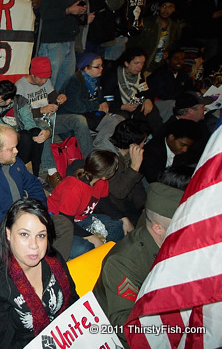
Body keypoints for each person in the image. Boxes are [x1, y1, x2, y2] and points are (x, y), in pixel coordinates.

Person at [0, 199, 78, 349]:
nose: (34, 245)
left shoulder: (53, 259)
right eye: (25, 234)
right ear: (8, 234)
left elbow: (73, 302)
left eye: (41, 235)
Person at [0, 123, 74, 259]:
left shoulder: (14, 162)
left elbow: (34, 186)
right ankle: (35, 265)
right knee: (10, 248)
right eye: (12, 148)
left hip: (20, 221)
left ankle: (48, 267)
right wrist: (21, 230)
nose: (17, 151)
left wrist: (38, 213)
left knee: (63, 224)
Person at [93, 182, 183, 347]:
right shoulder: (124, 262)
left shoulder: (169, 244)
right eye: (181, 225)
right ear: (158, 228)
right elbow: (123, 324)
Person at [16, 56, 94, 187]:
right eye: (40, 78)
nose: (44, 81)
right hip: (32, 123)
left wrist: (60, 98)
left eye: (46, 78)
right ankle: (51, 172)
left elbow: (53, 97)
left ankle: (90, 161)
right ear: (32, 74)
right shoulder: (20, 86)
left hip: (50, 120)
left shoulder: (45, 81)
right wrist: (41, 110)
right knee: (43, 127)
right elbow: (19, 115)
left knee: (79, 120)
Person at [48, 149, 125, 259]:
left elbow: (104, 202)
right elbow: (66, 220)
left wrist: (123, 217)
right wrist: (91, 237)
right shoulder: (73, 188)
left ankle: (108, 258)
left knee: (118, 226)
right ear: (104, 175)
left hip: (80, 218)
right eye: (115, 169)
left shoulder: (101, 182)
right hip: (59, 222)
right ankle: (96, 259)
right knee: (84, 247)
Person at [0, 80, 49, 176]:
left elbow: (29, 124)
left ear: (9, 100)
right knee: (25, 136)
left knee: (35, 132)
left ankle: (33, 174)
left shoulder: (20, 102)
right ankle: (20, 173)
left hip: (14, 139)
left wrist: (47, 131)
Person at [37, 0, 86, 93]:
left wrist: (81, 13)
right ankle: (44, 112)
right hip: (53, 43)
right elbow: (45, 13)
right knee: (47, 83)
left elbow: (72, 13)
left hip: (69, 41)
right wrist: (68, 10)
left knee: (66, 83)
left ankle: (59, 112)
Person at [90, 119, 150, 227]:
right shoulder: (106, 158)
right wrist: (135, 167)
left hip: (127, 201)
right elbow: (119, 192)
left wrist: (143, 206)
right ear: (134, 144)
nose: (144, 145)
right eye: (143, 142)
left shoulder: (127, 153)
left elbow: (136, 185)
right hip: (110, 207)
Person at [60, 53, 124, 142]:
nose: (101, 68)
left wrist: (103, 101)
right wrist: (97, 106)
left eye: (102, 65)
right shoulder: (74, 81)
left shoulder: (94, 79)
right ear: (86, 68)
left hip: (89, 112)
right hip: (74, 115)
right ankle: (99, 148)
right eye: (97, 66)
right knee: (112, 122)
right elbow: (74, 106)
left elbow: (99, 96)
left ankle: (105, 145)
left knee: (120, 119)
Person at [102, 47, 163, 134]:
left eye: (142, 63)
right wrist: (122, 107)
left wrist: (148, 99)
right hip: (118, 107)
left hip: (134, 103)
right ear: (126, 63)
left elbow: (146, 92)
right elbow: (106, 100)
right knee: (122, 120)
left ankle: (158, 138)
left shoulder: (139, 75)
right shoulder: (113, 76)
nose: (140, 66)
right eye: (136, 63)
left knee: (151, 110)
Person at [127, 0, 181, 73]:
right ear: (159, 8)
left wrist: (167, 52)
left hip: (158, 64)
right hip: (142, 62)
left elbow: (172, 44)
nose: (166, 10)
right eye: (164, 6)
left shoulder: (173, 27)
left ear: (174, 9)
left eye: (170, 7)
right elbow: (133, 41)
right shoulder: (148, 22)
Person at [140, 118, 201, 183]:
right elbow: (153, 178)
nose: (185, 150)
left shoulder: (188, 153)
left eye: (188, 146)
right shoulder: (151, 151)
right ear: (171, 137)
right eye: (182, 144)